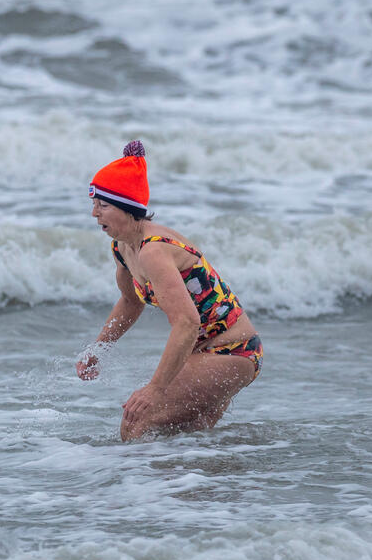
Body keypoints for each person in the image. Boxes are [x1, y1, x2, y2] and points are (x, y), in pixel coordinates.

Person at [76, 140, 263, 441]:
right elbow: (129, 301)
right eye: (94, 203)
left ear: (128, 207)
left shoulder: (154, 250)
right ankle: (189, 487)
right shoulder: (123, 247)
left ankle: (128, 487)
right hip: (203, 354)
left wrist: (155, 388)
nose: (94, 213)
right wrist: (98, 349)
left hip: (232, 351)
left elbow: (188, 323)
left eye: (103, 205)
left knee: (135, 421)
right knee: (184, 442)